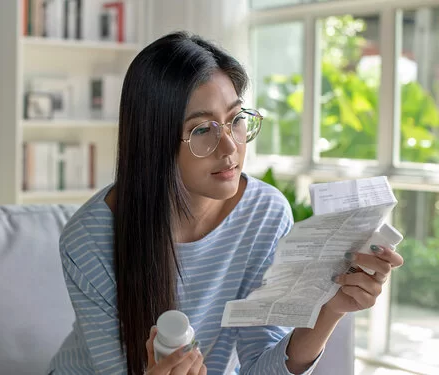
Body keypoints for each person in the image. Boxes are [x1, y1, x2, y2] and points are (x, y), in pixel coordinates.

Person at [48, 31, 403, 375]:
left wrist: (331, 309)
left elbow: (261, 368)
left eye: (235, 120)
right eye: (202, 130)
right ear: (153, 142)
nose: (230, 147)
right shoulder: (89, 239)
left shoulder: (264, 214)